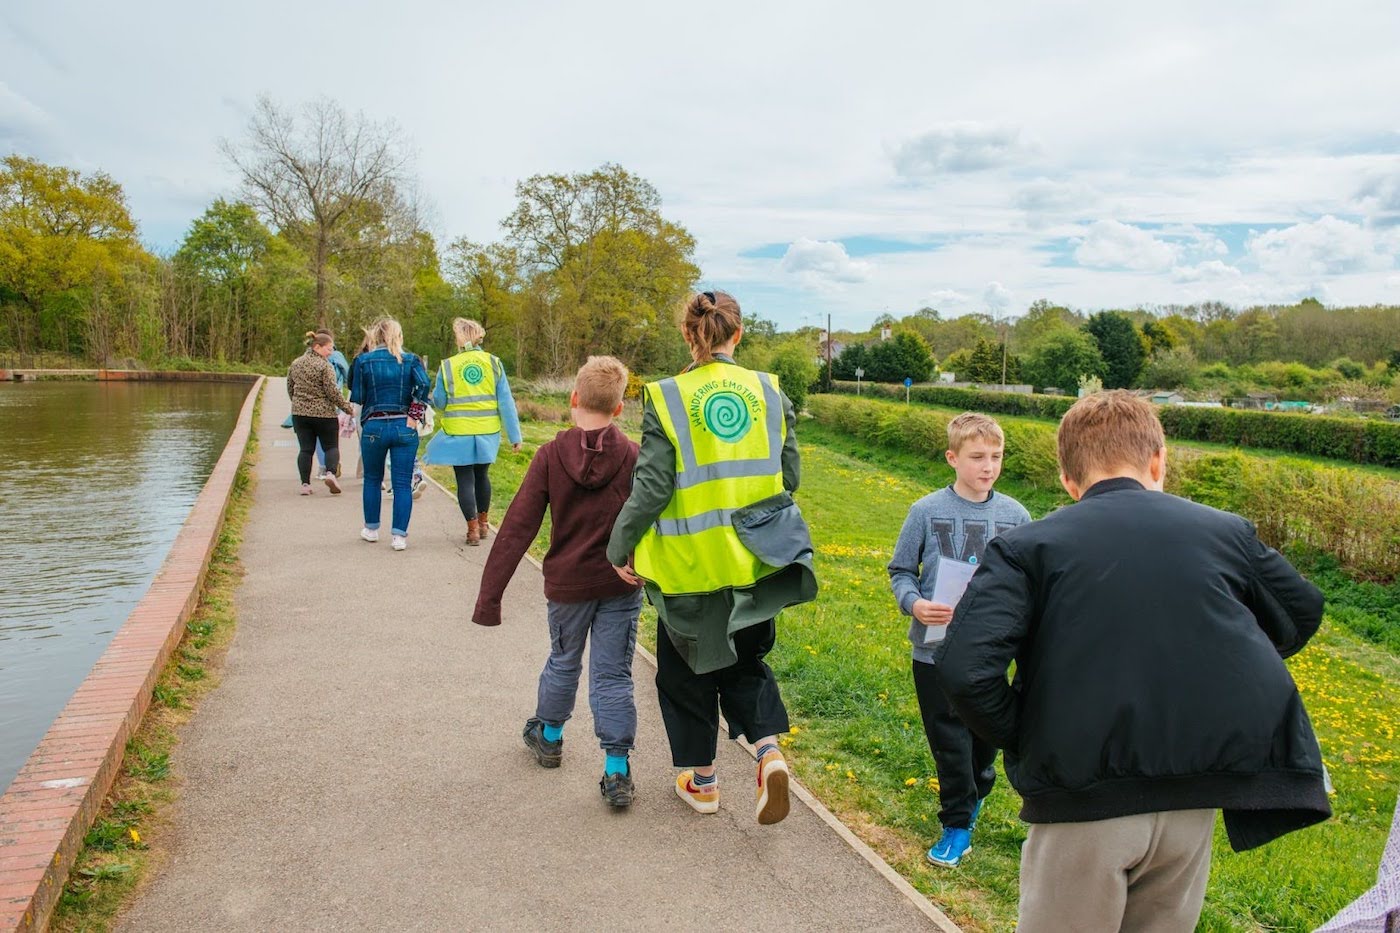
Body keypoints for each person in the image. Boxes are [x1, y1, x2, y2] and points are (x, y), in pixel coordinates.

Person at [934, 390, 1330, 932]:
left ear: (1068, 481)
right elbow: (1301, 613)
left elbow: (964, 668)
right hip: (1192, 801)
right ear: (1158, 461)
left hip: (1080, 800)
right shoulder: (1224, 531)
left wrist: (1026, 732)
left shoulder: (1031, 546)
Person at [607, 290, 816, 825]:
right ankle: (768, 752)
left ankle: (702, 782)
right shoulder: (769, 391)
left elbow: (651, 487)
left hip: (690, 566)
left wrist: (619, 543)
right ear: (738, 335)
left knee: (684, 675)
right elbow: (789, 476)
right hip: (756, 562)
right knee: (747, 662)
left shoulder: (669, 397)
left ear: (688, 334)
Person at [472, 356, 643, 808]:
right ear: (620, 408)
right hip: (620, 584)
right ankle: (617, 770)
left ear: (573, 398)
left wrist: (489, 599)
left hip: (567, 585)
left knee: (563, 660)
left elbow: (517, 526)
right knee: (613, 674)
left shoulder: (550, 455)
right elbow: (652, 519)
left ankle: (549, 737)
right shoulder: (633, 456)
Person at [887, 412, 1030, 868]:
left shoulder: (1016, 515)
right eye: (977, 457)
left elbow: (1029, 578)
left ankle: (976, 790)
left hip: (990, 653)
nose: (988, 466)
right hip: (933, 651)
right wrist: (914, 603)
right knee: (950, 740)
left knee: (984, 738)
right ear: (952, 458)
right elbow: (901, 571)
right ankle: (956, 824)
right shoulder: (925, 512)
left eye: (996, 456)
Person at [424, 318, 522, 546]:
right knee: (482, 476)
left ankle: (472, 530)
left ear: (458, 338)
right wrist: (515, 436)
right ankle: (485, 523)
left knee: (465, 480)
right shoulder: (494, 363)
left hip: (459, 432)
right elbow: (506, 402)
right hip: (487, 431)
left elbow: (439, 401)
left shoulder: (447, 365)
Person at [348, 317, 430, 552]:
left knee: (373, 479)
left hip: (374, 425)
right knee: (403, 483)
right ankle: (399, 537)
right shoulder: (411, 360)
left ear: (375, 336)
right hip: (404, 425)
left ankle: (372, 529)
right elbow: (424, 385)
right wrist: (413, 415)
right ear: (399, 335)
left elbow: (358, 396)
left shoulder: (364, 361)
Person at [287, 331, 353, 496]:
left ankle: (305, 485)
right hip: (324, 414)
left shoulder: (296, 363)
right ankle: (330, 473)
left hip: (300, 414)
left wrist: (298, 404)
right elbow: (332, 392)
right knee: (331, 446)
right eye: (329, 349)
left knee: (305, 450)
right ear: (317, 347)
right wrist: (347, 408)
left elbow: (290, 387)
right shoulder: (325, 366)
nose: (331, 353)